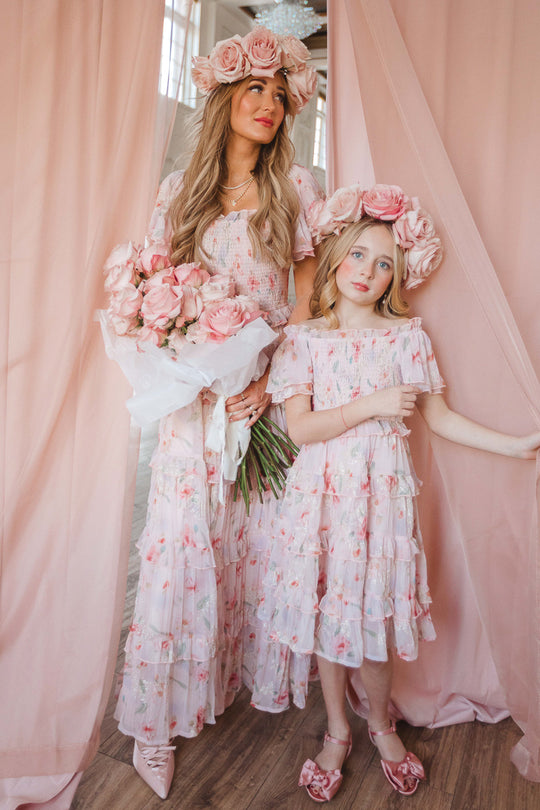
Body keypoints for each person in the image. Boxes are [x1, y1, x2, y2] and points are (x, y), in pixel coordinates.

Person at [251, 184, 540, 802]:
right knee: (330, 617)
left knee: (374, 621)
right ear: (334, 260)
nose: (369, 271)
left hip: (379, 508)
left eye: (384, 263)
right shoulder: (305, 340)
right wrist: (373, 404)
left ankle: (379, 724)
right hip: (321, 503)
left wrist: (514, 445)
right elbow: (301, 428)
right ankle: (335, 730)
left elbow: (439, 418)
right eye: (358, 255)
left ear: (395, 277)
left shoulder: (405, 336)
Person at [112, 27, 323, 799]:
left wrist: (269, 388)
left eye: (279, 95)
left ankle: (220, 682)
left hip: (257, 407)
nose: (268, 105)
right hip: (191, 413)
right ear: (225, 99)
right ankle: (152, 727)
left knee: (244, 558)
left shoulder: (293, 193)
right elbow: (153, 300)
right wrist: (178, 360)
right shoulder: (179, 195)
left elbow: (307, 308)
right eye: (254, 91)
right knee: (176, 559)